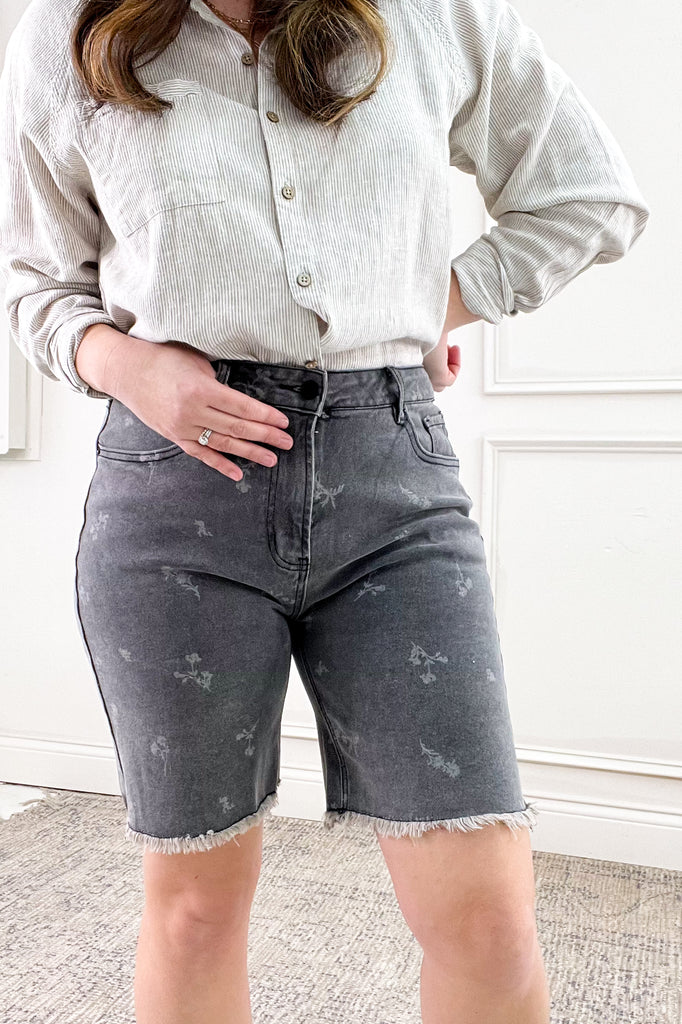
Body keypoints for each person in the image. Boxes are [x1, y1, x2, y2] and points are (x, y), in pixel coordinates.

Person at [0, 0, 649, 1021]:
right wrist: (129, 367)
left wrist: (424, 300)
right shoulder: (69, 32)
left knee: (487, 918)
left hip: (392, 485)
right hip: (176, 493)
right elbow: (35, 281)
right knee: (194, 911)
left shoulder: (431, 16)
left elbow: (589, 193)